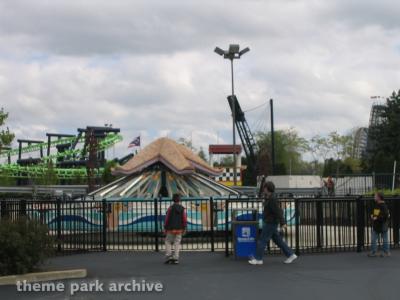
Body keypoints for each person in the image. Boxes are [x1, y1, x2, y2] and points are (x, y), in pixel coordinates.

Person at [249, 181, 298, 265]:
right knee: (278, 240)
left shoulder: (272, 199)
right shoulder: (270, 197)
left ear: (267, 189)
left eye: (264, 188)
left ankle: (258, 259)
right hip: (271, 222)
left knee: (262, 240)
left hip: (270, 223)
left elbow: (278, 211)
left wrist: (283, 222)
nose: (263, 189)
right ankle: (291, 254)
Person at [164, 193, 187, 264]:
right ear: (179, 200)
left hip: (171, 228)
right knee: (177, 243)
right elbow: (184, 219)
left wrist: (165, 227)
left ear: (173, 200)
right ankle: (176, 258)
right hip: (179, 228)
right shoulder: (182, 208)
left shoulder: (170, 208)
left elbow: (167, 219)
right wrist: (184, 227)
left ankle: (169, 256)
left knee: (168, 241)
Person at [368, 192, 390, 257]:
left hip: (382, 225)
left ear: (379, 198)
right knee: (374, 239)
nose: (374, 197)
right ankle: (374, 252)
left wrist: (377, 218)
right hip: (377, 225)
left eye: (375, 196)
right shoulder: (377, 205)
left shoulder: (383, 206)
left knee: (384, 239)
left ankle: (386, 252)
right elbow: (375, 213)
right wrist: (372, 215)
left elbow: (386, 215)